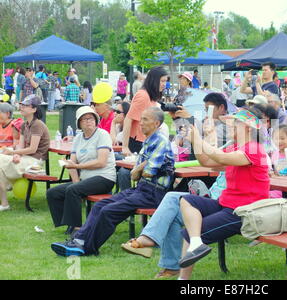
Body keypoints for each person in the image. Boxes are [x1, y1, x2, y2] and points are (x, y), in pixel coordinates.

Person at [50, 107, 174, 256]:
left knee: (108, 211)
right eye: (141, 119)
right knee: (100, 206)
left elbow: (147, 173)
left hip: (154, 193)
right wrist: (143, 166)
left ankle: (87, 248)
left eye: (145, 120)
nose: (140, 123)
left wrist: (141, 166)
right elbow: (134, 176)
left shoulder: (161, 141)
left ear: (157, 123)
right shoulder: (148, 142)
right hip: (141, 189)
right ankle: (77, 240)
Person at [175, 108, 272, 280]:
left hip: (243, 212)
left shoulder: (254, 149)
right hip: (227, 205)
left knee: (189, 232)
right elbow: (207, 161)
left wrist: (198, 139)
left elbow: (221, 158)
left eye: (236, 123)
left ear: (248, 127)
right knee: (186, 200)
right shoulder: (237, 148)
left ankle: (183, 278)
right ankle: (197, 243)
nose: (231, 126)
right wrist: (196, 142)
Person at [46, 106, 117, 234]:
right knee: (53, 192)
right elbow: (72, 163)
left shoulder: (102, 135)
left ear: (96, 120)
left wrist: (77, 168)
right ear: (79, 123)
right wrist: (76, 180)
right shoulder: (78, 138)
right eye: (84, 119)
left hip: (104, 178)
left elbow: (101, 162)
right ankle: (67, 223)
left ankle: (77, 228)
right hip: (86, 179)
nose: (88, 121)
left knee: (73, 190)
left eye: (90, 118)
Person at [119, 67, 168, 192]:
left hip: (148, 142)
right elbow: (128, 119)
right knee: (130, 172)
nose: (164, 84)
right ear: (154, 80)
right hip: (137, 143)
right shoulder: (143, 95)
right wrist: (125, 146)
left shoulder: (151, 96)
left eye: (165, 81)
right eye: (162, 81)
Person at [0, 95, 49, 212]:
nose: (21, 107)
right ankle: (4, 203)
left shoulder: (37, 125)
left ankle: (6, 194)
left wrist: (12, 152)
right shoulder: (23, 125)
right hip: (25, 158)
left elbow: (32, 149)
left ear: (34, 109)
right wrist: (17, 154)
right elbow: (21, 146)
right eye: (21, 105)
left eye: (25, 105)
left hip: (35, 161)